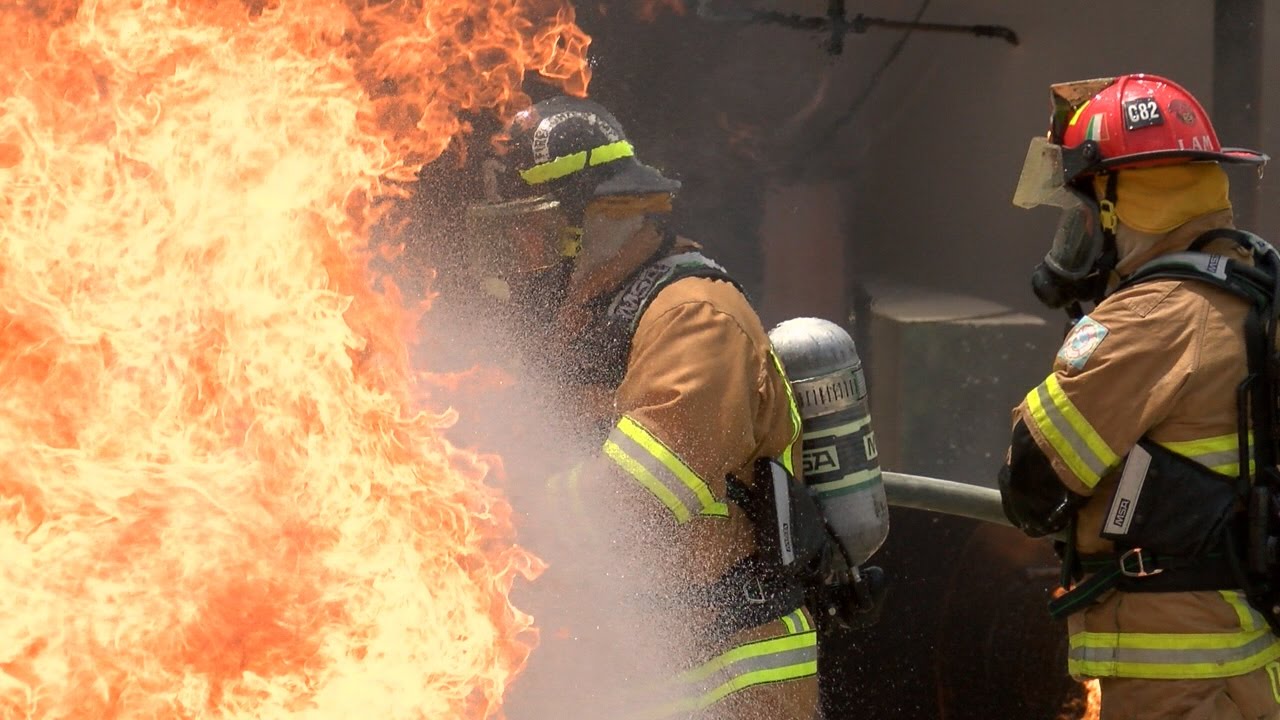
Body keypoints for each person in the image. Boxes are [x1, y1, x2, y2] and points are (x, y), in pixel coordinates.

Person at [462, 95, 823, 720]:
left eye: (532, 227)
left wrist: (491, 527)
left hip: (724, 674)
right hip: (628, 663)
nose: (520, 250)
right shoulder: (580, 320)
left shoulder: (694, 318)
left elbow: (639, 500)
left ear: (592, 217)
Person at [999, 73, 1280, 719]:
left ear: (1113, 207)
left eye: (1079, 211)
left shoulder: (1150, 319)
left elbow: (1031, 482)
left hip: (1170, 667)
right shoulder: (1249, 294)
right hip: (1247, 653)